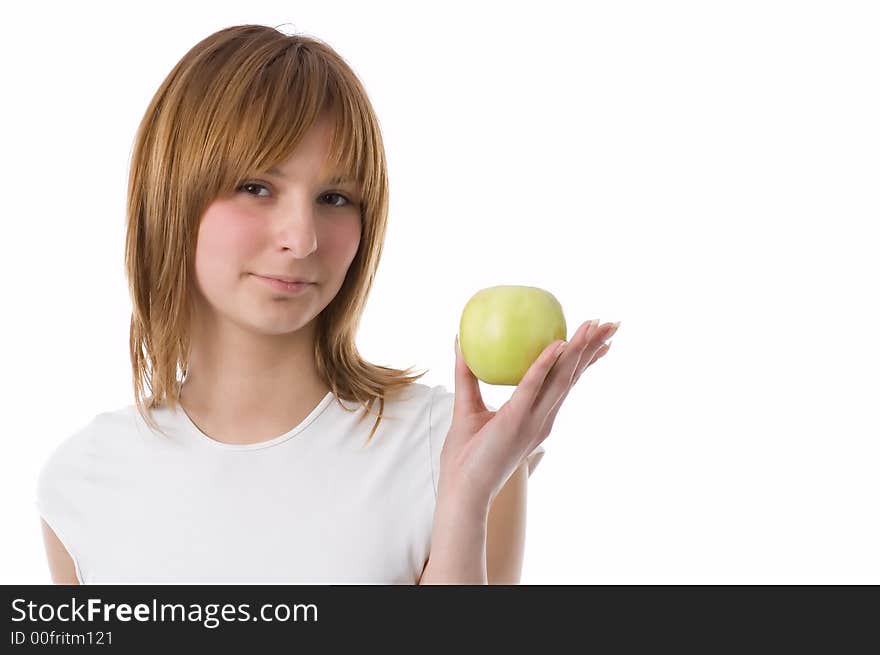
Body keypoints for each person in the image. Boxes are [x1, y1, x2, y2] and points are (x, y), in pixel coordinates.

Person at [35, 24, 618, 585]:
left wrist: (468, 499)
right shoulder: (83, 483)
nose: (303, 238)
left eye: (335, 197)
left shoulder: (451, 448)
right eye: (256, 187)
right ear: (169, 197)